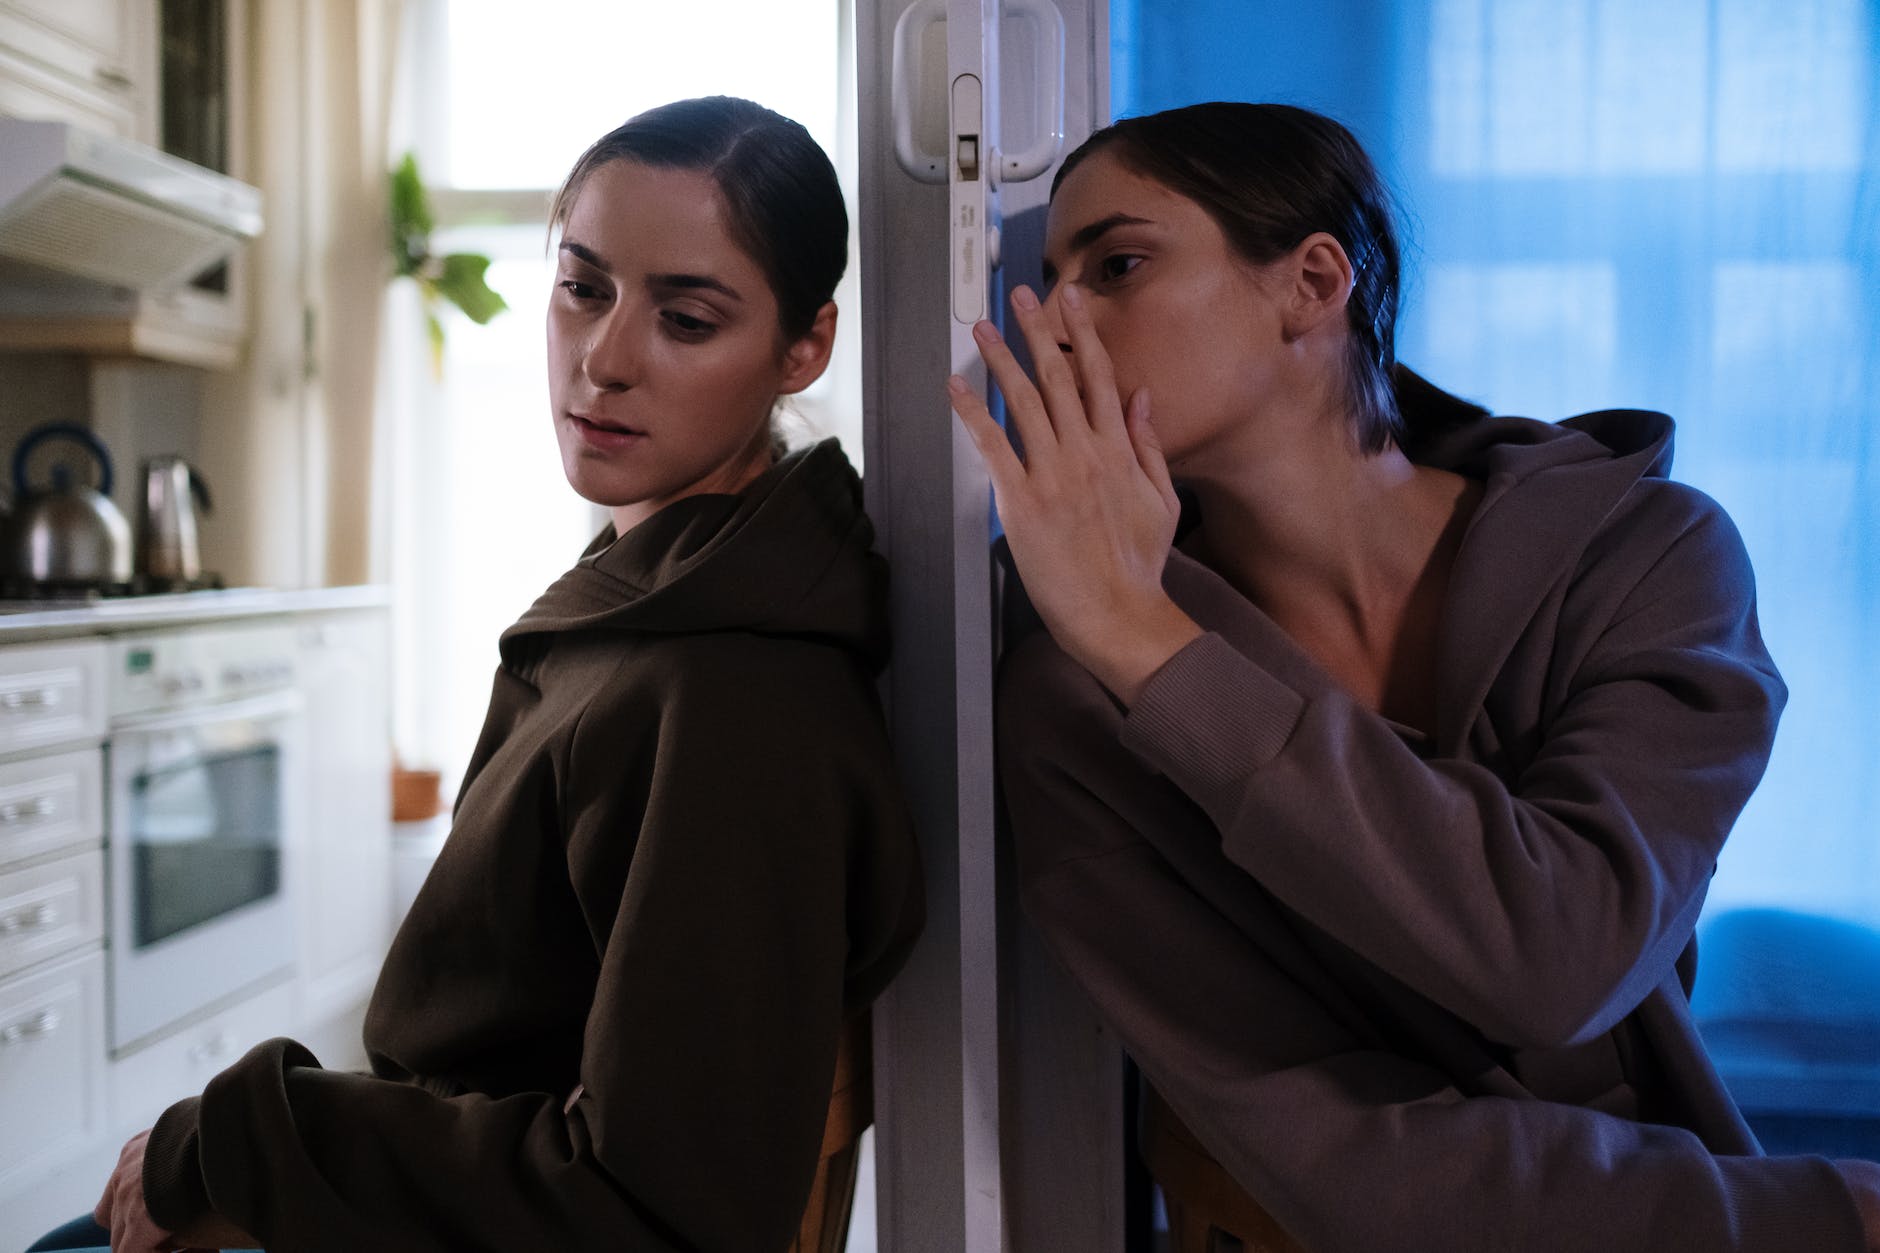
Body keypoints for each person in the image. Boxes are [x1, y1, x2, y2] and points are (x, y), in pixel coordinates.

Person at [949, 101, 1880, 1251]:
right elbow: (1341, 1146)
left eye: (1118, 265)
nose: (1059, 327)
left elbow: (1557, 956)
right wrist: (1144, 646)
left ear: (1311, 282)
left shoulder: (1645, 555)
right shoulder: (1072, 696)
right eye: (1044, 285)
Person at [42, 95, 923, 1253]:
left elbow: (656, 1211)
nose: (604, 359)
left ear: (803, 345)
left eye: (687, 318)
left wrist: (238, 1136)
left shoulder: (728, 700)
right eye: (584, 285)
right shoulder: (660, 593)